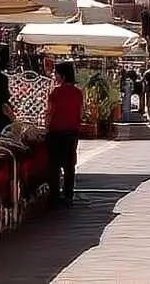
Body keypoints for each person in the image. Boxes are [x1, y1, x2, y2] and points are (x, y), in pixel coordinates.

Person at [45, 61, 84, 206]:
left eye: (56, 74)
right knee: (69, 165)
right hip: (72, 132)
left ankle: (55, 196)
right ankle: (68, 194)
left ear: (62, 76)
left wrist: (46, 127)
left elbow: (50, 112)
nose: (55, 76)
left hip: (56, 132)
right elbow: (80, 112)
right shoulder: (78, 92)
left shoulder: (55, 92)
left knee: (54, 165)